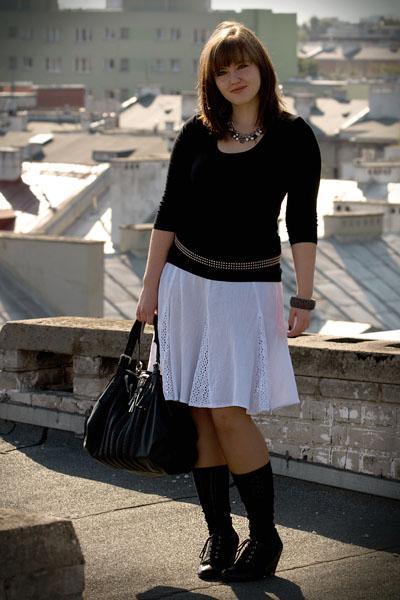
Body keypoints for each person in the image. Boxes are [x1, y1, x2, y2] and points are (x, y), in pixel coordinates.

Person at [136, 20, 321, 583]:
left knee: (227, 410)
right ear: (210, 81)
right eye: (221, 71)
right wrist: (149, 288)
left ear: (262, 67)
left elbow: (302, 220)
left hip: (248, 290)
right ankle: (220, 533)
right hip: (184, 286)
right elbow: (169, 211)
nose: (234, 78)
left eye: (242, 65)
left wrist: (305, 295)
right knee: (197, 409)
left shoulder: (294, 136)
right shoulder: (195, 133)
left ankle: (265, 538)